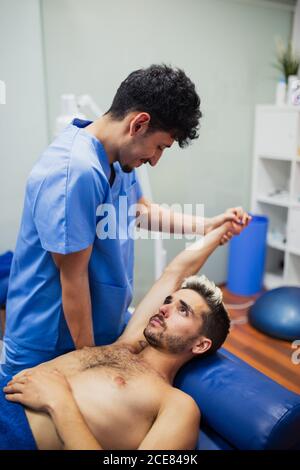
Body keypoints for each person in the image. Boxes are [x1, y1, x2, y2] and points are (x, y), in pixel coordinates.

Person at [1, 63, 249, 378]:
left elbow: (141, 210)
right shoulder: (74, 171)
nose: (156, 160)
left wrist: (208, 224)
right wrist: (88, 364)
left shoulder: (118, 161)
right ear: (139, 124)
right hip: (49, 343)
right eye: (159, 146)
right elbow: (73, 280)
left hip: (98, 334)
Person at [2, 217, 250, 450]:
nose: (164, 309)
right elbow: (175, 273)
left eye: (183, 311)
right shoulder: (126, 344)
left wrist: (59, 402)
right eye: (168, 301)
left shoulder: (177, 405)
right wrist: (221, 230)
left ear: (200, 345)